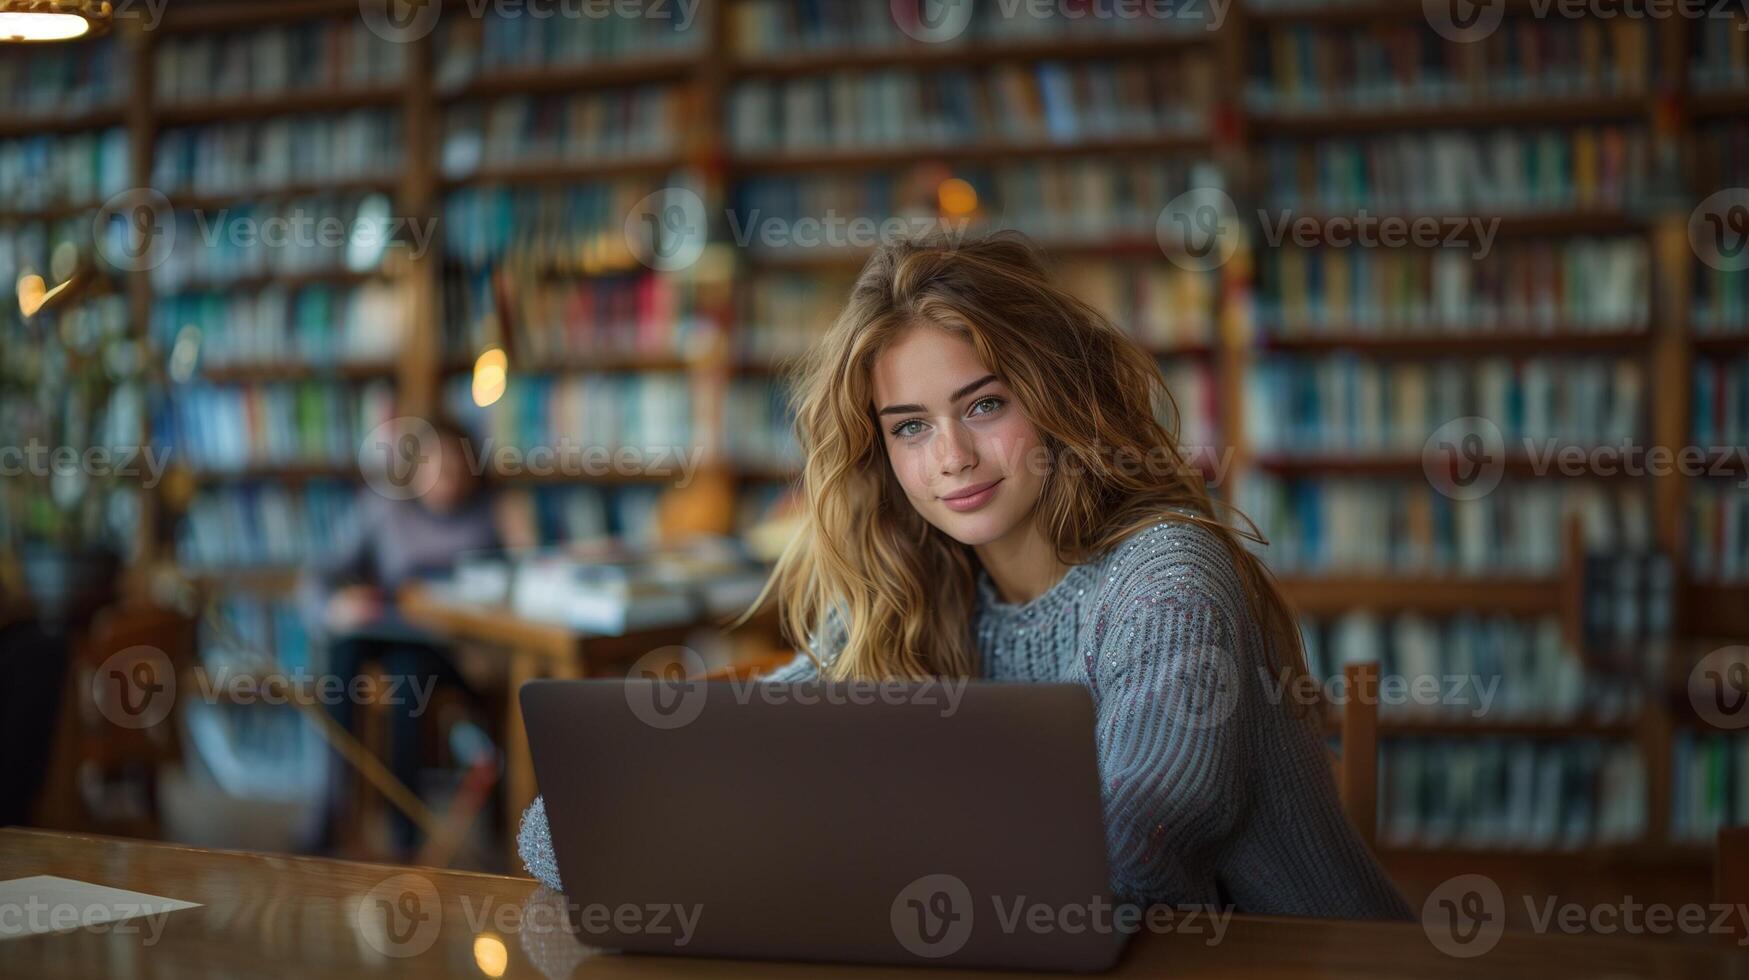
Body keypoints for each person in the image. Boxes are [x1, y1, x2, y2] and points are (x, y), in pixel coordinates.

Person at [515, 232, 1412, 919]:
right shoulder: (909, 594)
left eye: (984, 404)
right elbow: (561, 834)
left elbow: (1131, 848)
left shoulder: (1167, 575)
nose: (950, 457)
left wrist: (791, 837)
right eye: (908, 426)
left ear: (1062, 397)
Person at [300, 415, 503, 856]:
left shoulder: (493, 515)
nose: (446, 479)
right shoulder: (385, 509)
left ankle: (404, 835)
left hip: (449, 646)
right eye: (436, 465)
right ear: (415, 467)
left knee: (409, 676)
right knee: (344, 650)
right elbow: (319, 575)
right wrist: (333, 606)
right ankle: (331, 807)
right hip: (383, 628)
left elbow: (517, 584)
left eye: (456, 467)